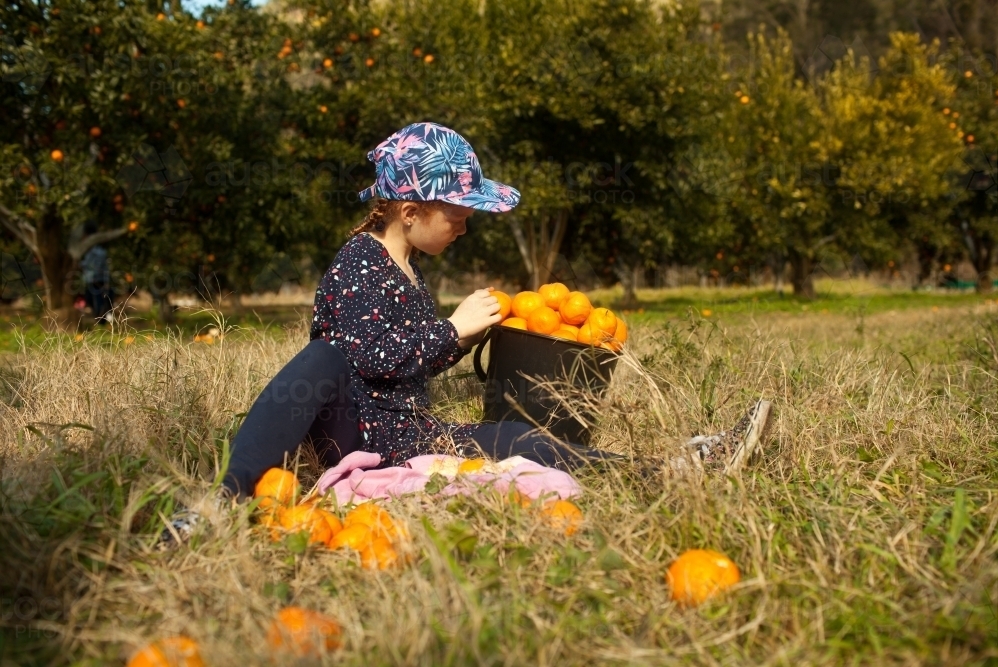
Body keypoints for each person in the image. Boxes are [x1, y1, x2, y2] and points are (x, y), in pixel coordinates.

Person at [157, 123, 773, 548]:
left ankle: (673, 467)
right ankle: (225, 499)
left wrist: (462, 334)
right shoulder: (356, 264)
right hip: (358, 431)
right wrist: (452, 330)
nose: (466, 224)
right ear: (408, 210)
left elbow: (406, 359)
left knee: (515, 438)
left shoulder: (404, 266)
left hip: (408, 430)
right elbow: (370, 359)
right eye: (456, 212)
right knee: (320, 358)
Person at [80, 220, 115, 325]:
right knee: (91, 299)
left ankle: (102, 323)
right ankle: (102, 321)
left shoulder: (98, 252)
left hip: (98, 280)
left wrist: (82, 266)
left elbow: (96, 267)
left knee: (98, 301)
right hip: (91, 280)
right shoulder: (89, 250)